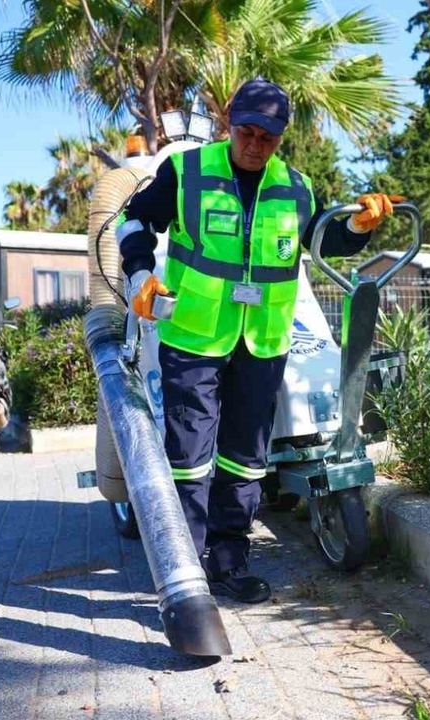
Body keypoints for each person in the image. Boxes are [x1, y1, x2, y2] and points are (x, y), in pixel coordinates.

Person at [118, 78, 401, 604]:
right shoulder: (187, 172)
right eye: (245, 131)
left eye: (265, 137)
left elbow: (323, 239)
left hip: (264, 344)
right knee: (189, 457)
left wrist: (359, 227)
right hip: (195, 339)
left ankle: (230, 564)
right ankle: (184, 571)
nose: (253, 144)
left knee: (245, 459)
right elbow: (133, 221)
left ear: (280, 136)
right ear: (229, 122)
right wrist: (139, 276)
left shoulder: (296, 187)